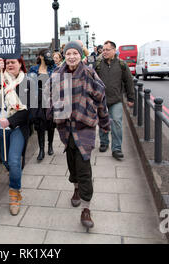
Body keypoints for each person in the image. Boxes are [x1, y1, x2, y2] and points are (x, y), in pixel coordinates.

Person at [45, 41, 110, 230]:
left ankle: (86, 208)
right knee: (72, 160)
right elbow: (47, 95)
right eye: (68, 53)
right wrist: (50, 113)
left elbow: (101, 98)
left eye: (75, 53)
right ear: (64, 55)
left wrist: (105, 123)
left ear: (80, 55)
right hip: (65, 126)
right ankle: (75, 188)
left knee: (84, 164)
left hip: (85, 124)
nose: (71, 56)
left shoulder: (89, 73)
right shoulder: (57, 74)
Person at [0, 56, 31, 215]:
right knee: (5, 160)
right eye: (7, 62)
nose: (10, 65)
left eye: (13, 62)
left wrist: (10, 121)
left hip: (17, 127)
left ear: (20, 64)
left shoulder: (27, 83)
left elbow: (29, 111)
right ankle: (14, 176)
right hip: (1, 129)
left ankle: (14, 195)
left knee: (14, 160)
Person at [95, 40, 135, 160]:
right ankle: (104, 142)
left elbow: (129, 81)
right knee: (102, 121)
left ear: (114, 50)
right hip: (101, 99)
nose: (104, 52)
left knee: (117, 123)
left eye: (107, 50)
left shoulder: (122, 64)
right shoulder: (97, 64)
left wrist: (130, 97)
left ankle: (116, 149)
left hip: (116, 99)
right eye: (103, 50)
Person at [28, 49, 57, 161]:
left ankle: (50, 145)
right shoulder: (33, 69)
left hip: (50, 98)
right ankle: (41, 150)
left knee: (51, 124)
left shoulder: (53, 68)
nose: (48, 57)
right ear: (40, 56)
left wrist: (52, 63)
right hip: (38, 99)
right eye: (46, 55)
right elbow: (30, 85)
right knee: (40, 125)